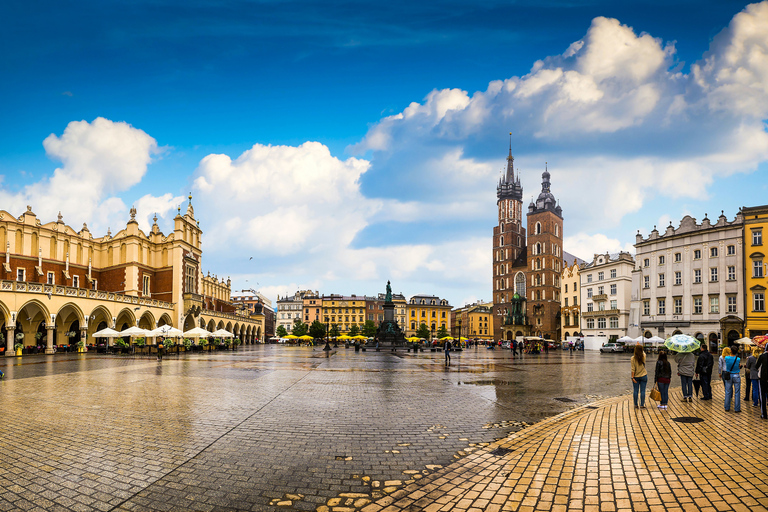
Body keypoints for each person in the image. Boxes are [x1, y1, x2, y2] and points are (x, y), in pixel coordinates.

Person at [722, 347, 741, 412]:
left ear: (730, 351)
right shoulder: (738, 359)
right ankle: (737, 408)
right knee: (737, 392)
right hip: (736, 375)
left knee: (728, 392)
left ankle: (727, 407)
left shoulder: (726, 358)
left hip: (729, 375)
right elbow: (738, 365)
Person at [631, 344, 648, 409]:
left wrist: (632, 377)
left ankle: (635, 404)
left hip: (635, 376)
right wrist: (639, 346)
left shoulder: (632, 358)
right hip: (644, 375)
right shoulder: (643, 356)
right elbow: (643, 352)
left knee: (635, 391)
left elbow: (633, 369)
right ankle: (642, 405)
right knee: (643, 391)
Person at [755, 345, 768, 419]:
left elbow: (756, 366)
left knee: (762, 396)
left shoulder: (762, 356)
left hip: (763, 378)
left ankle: (764, 414)